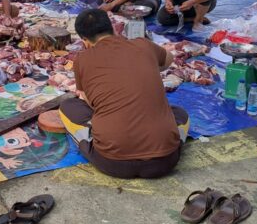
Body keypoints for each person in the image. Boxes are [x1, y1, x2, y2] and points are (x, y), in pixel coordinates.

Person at [59, 9, 188, 179]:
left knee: (67, 106)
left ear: (85, 41)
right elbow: (168, 60)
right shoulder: (143, 44)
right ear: (112, 27)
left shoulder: (82, 59)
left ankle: (93, 138)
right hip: (165, 161)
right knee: (179, 113)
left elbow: (91, 102)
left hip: (113, 162)